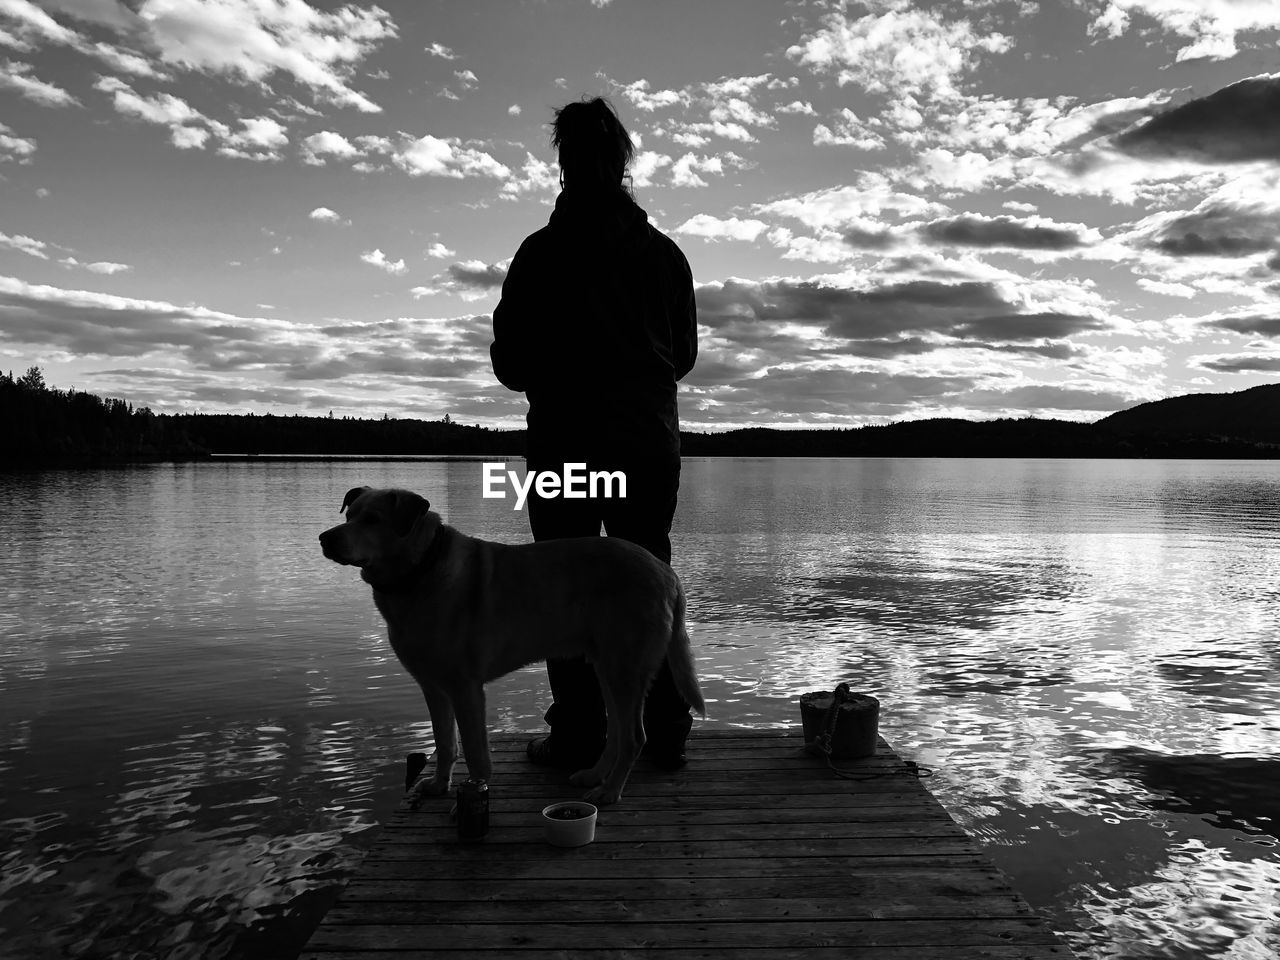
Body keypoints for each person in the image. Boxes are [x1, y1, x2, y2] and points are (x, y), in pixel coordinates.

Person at [490, 95, 698, 771]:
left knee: (562, 591)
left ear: (565, 164)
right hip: (646, 448)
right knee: (645, 585)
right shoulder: (666, 259)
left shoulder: (540, 255)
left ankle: (579, 733)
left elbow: (511, 364)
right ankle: (662, 733)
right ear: (623, 164)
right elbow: (684, 358)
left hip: (569, 449)